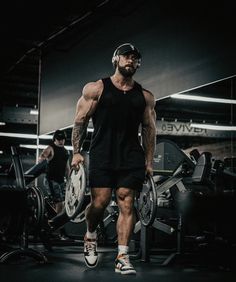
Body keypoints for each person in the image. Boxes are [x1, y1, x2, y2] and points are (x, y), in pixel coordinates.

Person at [71, 43, 156, 274]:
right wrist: (76, 152)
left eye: (135, 58)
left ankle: (122, 255)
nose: (131, 61)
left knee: (126, 201)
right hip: (102, 152)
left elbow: (150, 130)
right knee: (99, 202)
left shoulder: (145, 97)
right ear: (116, 60)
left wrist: (148, 161)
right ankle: (90, 234)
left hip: (131, 155)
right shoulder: (96, 89)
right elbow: (80, 121)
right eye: (127, 57)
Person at [39, 129, 70, 214]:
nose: (61, 141)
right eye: (58, 139)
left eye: (62, 139)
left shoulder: (66, 152)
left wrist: (69, 180)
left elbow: (67, 168)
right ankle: (56, 224)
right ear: (54, 139)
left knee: (63, 203)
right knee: (59, 203)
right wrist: (43, 158)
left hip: (61, 180)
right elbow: (41, 157)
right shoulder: (50, 148)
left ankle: (51, 216)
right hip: (51, 180)